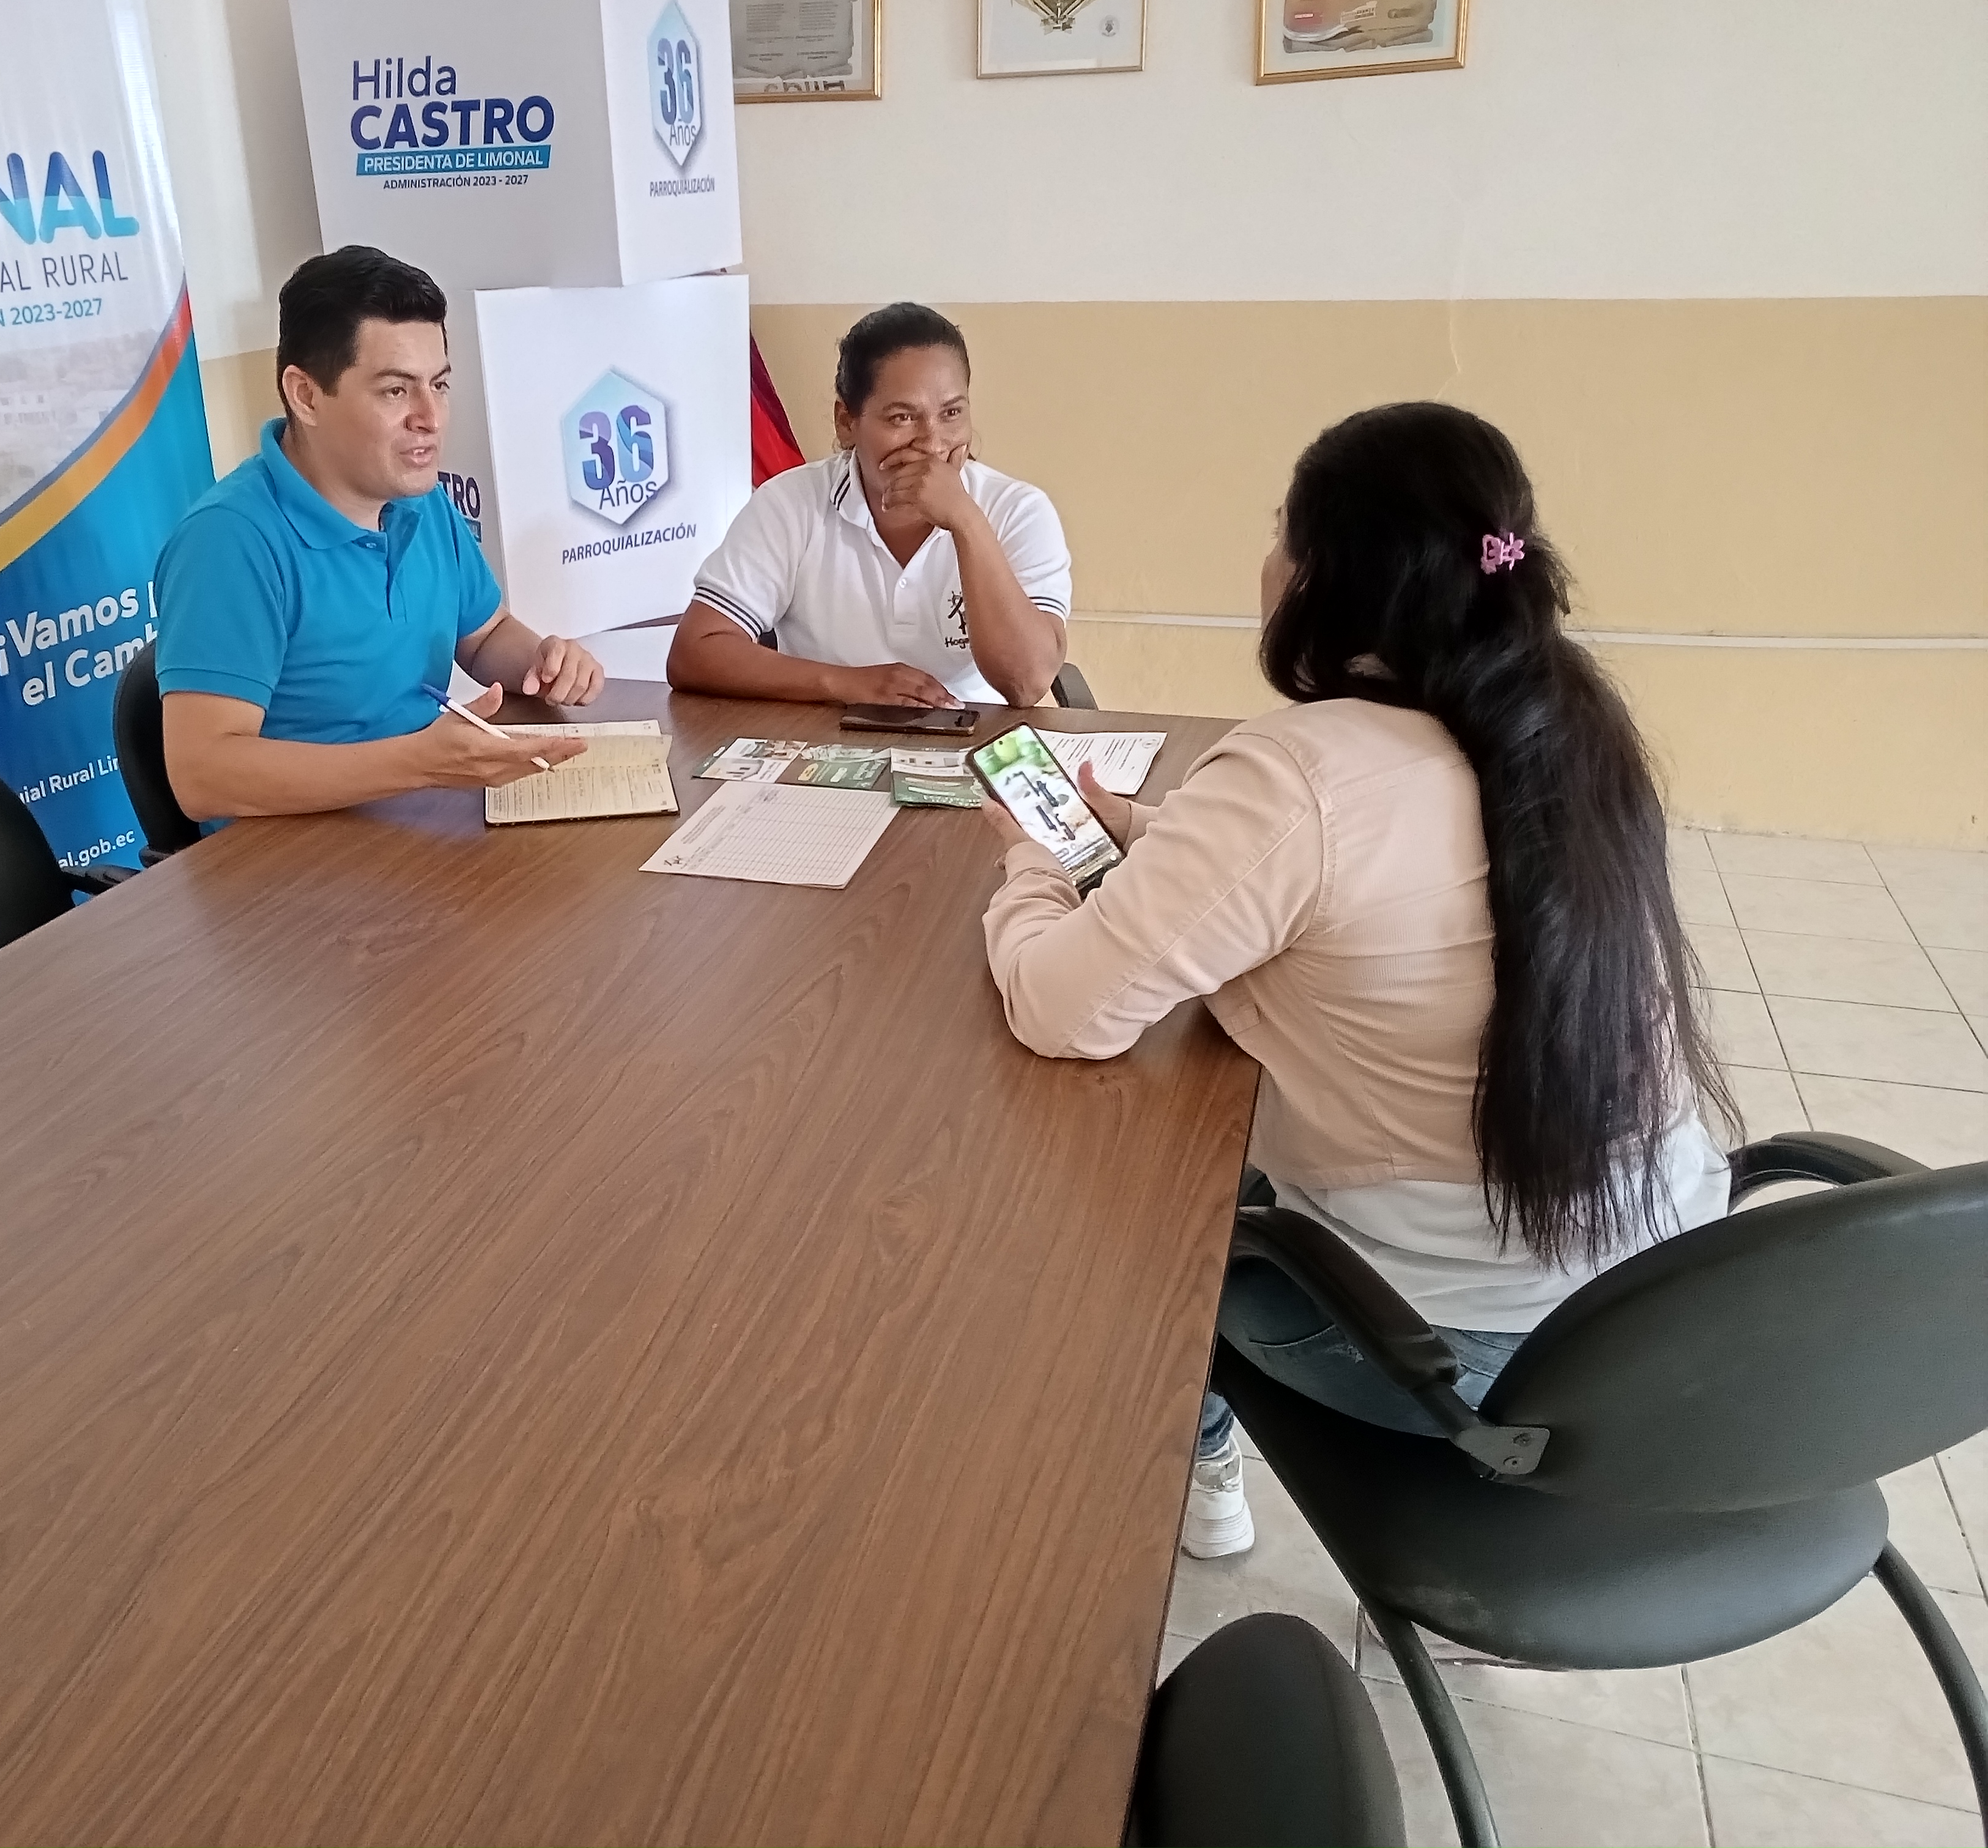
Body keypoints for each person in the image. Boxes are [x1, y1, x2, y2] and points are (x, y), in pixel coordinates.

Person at [977, 402, 1735, 1559]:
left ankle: (1183, 1469)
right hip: (1670, 1310)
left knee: (1146, 1192)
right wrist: (1149, 833)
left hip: (1456, 1362)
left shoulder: (1296, 771)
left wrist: (1031, 863)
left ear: (1321, 573)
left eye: (1281, 530)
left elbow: (1060, 1010)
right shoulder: (1567, 721)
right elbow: (1374, 876)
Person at [156, 246, 604, 822]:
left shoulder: (420, 499)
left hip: (421, 819)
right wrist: (419, 763)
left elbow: (485, 634)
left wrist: (542, 662)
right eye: (396, 391)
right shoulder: (228, 542)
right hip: (293, 856)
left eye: (439, 386)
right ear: (306, 396)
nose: (430, 418)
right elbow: (203, 778)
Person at [665, 303, 1073, 709]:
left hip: (977, 736)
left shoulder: (1020, 511)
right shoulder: (790, 502)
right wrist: (846, 684)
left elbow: (1026, 684)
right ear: (847, 423)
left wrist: (966, 521)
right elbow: (694, 653)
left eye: (951, 413)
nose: (933, 443)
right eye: (901, 418)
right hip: (822, 736)